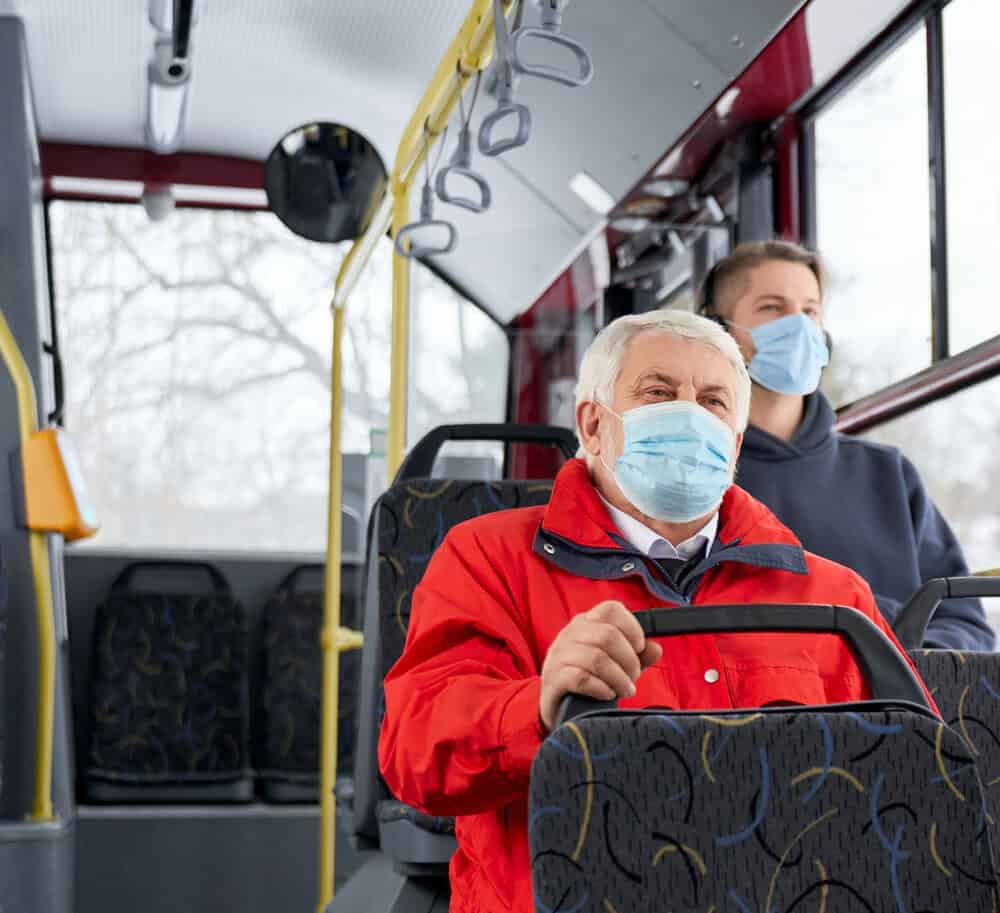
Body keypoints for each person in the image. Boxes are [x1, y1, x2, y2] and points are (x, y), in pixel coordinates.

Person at [379, 310, 935, 913]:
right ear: (594, 424)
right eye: (659, 393)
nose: (691, 416)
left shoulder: (832, 597)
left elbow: (918, 779)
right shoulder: (489, 559)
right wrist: (536, 705)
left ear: (736, 443)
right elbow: (416, 756)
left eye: (715, 402)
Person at [696, 240, 993, 651]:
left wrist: (896, 660)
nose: (798, 326)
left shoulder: (888, 474)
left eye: (810, 311)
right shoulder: (693, 473)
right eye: (772, 308)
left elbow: (966, 624)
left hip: (896, 706)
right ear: (722, 332)